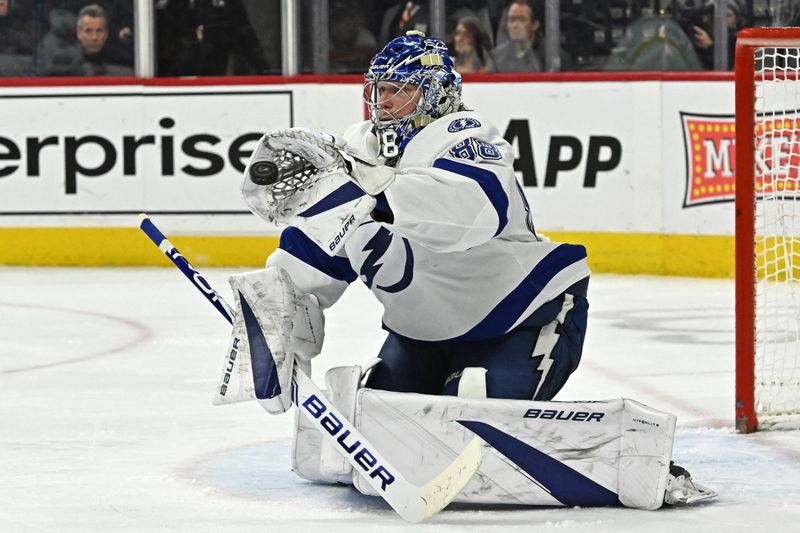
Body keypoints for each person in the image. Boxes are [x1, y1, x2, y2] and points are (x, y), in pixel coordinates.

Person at [226, 30, 714, 511]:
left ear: (436, 93)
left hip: (524, 317)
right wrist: (275, 321)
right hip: (426, 333)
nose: (385, 103)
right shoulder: (360, 159)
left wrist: (371, 194)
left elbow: (469, 215)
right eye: (380, 90)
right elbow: (309, 263)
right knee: (377, 423)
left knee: (470, 409)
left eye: (402, 89)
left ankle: (626, 460)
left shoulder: (468, 138)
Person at [75, 4, 132, 75]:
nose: (94, 37)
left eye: (99, 31)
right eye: (88, 31)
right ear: (79, 33)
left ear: (106, 33)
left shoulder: (122, 61)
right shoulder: (69, 62)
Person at [489, 0, 543, 72]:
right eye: (512, 20)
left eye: (521, 20)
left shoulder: (549, 55)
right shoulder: (497, 57)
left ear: (535, 25)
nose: (515, 25)